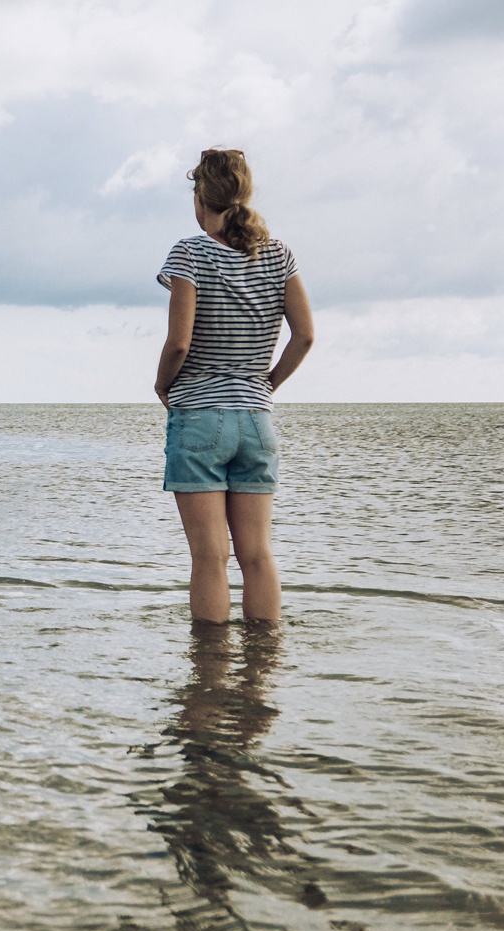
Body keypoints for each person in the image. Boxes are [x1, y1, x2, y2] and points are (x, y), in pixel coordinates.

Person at [154, 148, 315, 624]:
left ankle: (208, 676)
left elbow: (179, 343)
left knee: (209, 559)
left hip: (200, 417)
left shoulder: (190, 252)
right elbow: (304, 336)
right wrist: (267, 384)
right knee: (258, 556)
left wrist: (163, 386)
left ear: (201, 196)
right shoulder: (279, 254)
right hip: (257, 420)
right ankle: (262, 672)